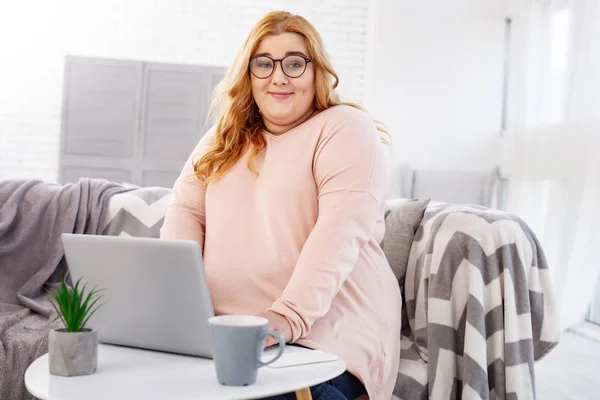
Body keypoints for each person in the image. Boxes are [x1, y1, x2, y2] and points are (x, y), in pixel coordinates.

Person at [160, 10, 401, 400]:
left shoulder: (343, 127)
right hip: (228, 335)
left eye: (295, 63)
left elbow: (341, 231)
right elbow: (185, 211)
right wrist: (180, 302)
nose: (279, 76)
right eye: (264, 63)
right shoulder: (220, 141)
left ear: (316, 72)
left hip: (322, 335)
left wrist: (286, 318)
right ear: (248, 75)